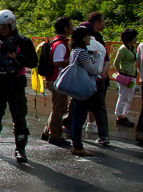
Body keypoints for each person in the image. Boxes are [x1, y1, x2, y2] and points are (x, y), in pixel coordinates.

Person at [0, 9, 38, 162]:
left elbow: (33, 61)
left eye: (3, 27)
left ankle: (20, 149)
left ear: (11, 25)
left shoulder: (23, 41)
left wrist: (16, 56)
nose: (0, 30)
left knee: (19, 116)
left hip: (15, 83)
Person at [66, 26, 100, 156]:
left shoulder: (74, 50)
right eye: (87, 35)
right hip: (82, 88)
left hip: (75, 87)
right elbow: (92, 70)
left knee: (76, 117)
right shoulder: (82, 52)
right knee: (80, 118)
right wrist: (97, 58)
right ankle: (78, 146)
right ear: (82, 38)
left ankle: (76, 145)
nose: (89, 37)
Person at [41, 17, 73, 146]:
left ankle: (47, 132)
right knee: (60, 109)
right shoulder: (60, 44)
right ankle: (55, 136)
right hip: (57, 80)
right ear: (65, 28)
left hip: (54, 79)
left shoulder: (57, 42)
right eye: (71, 25)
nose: (73, 27)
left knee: (56, 108)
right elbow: (57, 61)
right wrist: (72, 60)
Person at [80, 15, 110, 144]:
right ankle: (104, 136)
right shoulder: (100, 44)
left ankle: (70, 129)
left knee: (78, 105)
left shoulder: (81, 45)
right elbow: (107, 61)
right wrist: (102, 74)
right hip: (99, 80)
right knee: (100, 108)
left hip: (84, 80)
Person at [113, 28, 139, 127]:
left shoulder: (131, 48)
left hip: (132, 76)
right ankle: (119, 116)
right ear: (130, 38)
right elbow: (116, 62)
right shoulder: (123, 49)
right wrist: (121, 71)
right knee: (123, 96)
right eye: (134, 37)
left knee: (129, 97)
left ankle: (124, 115)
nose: (136, 39)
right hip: (126, 76)